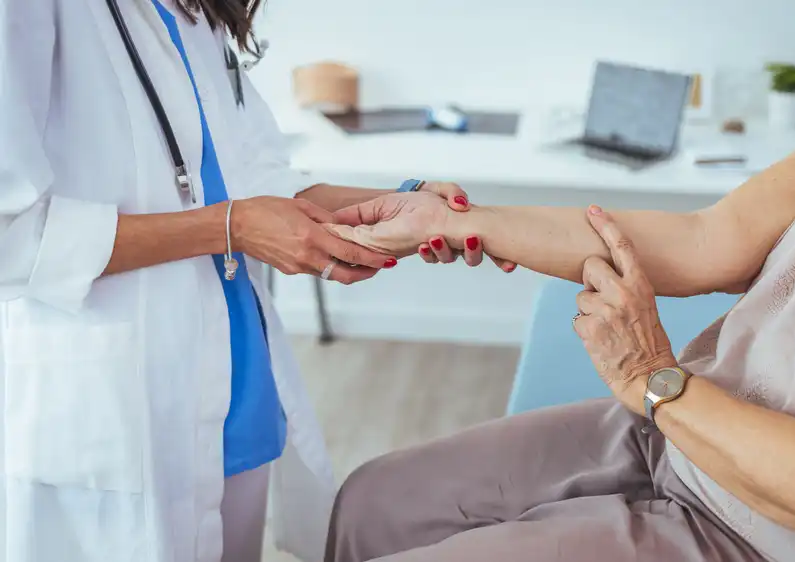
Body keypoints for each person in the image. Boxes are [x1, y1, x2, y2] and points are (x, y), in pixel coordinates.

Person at [324, 3, 795, 561]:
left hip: (780, 538)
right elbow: (709, 241)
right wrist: (448, 219)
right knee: (373, 502)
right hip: (681, 436)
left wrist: (653, 376)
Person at [0, 1, 510, 561]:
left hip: (239, 393)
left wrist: (395, 205)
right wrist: (231, 227)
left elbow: (254, 175)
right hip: (123, 415)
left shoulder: (193, 10)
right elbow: (12, 234)